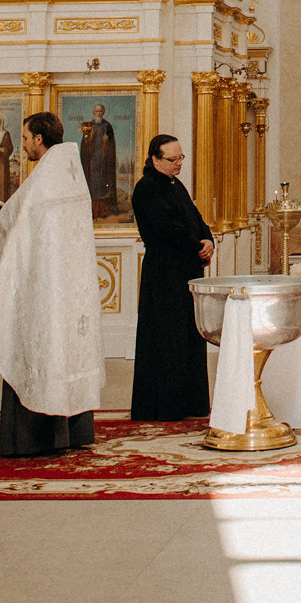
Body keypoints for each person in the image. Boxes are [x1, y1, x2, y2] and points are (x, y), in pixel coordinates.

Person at [0, 112, 103, 456]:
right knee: (67, 352)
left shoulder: (45, 179)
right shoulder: (70, 172)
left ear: (39, 138)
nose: (22, 145)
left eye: (24, 139)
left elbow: (18, 223)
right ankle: (74, 431)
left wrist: (1, 216)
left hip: (44, 287)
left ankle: (32, 438)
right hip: (71, 286)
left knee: (40, 350)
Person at [128, 134, 213, 422]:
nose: (178, 164)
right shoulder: (147, 188)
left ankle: (190, 403)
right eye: (172, 159)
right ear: (154, 159)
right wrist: (196, 245)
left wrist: (208, 239)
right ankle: (166, 407)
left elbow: (195, 217)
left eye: (181, 158)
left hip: (186, 271)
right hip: (164, 274)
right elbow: (167, 228)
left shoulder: (176, 185)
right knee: (167, 339)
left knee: (189, 337)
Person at [79, 103, 121, 218]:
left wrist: (106, 142)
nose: (98, 113)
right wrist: (88, 139)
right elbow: (84, 145)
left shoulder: (107, 126)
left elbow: (112, 144)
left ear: (103, 112)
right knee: (92, 184)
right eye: (96, 111)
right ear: (93, 112)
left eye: (100, 111)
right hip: (91, 162)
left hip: (104, 161)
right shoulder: (88, 126)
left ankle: (103, 211)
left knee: (103, 185)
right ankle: (92, 211)